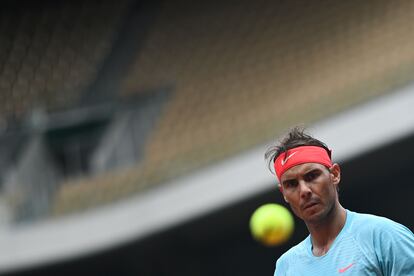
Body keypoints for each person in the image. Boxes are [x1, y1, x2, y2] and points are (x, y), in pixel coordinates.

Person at [265, 127, 414, 275]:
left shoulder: (384, 236)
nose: (304, 190)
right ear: (283, 193)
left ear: (334, 174)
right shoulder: (286, 267)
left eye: (312, 176)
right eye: (291, 184)